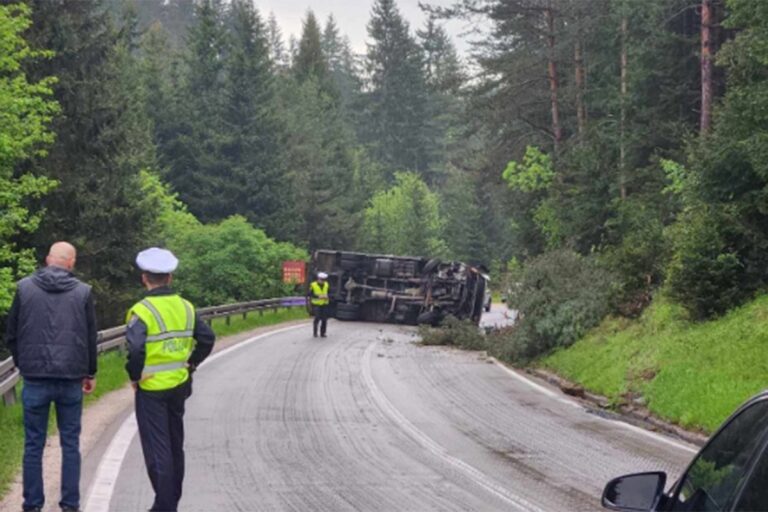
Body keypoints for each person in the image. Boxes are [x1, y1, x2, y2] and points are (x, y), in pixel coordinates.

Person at [5, 241, 98, 512]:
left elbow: (12, 334)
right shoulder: (83, 292)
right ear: (71, 262)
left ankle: (32, 505)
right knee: (70, 443)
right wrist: (89, 372)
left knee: (33, 443)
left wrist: (25, 364)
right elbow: (89, 337)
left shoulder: (24, 288)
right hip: (70, 378)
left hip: (35, 377)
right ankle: (70, 505)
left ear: (48, 259)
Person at [125, 247, 215, 512]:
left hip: (151, 388)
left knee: (157, 451)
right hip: (179, 385)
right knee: (176, 446)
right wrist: (191, 364)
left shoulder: (141, 310)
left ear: (145, 278)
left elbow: (136, 349)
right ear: (170, 278)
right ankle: (170, 501)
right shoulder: (186, 307)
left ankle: (164, 506)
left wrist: (134, 376)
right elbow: (207, 338)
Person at [308, 272, 330, 338]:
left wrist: (327, 296)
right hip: (316, 304)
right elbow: (309, 294)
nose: (322, 281)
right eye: (321, 279)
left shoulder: (326, 285)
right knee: (317, 317)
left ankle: (323, 333)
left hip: (324, 304)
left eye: (324, 280)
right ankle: (315, 333)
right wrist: (318, 296)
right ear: (318, 279)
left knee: (324, 319)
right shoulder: (313, 285)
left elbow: (329, 293)